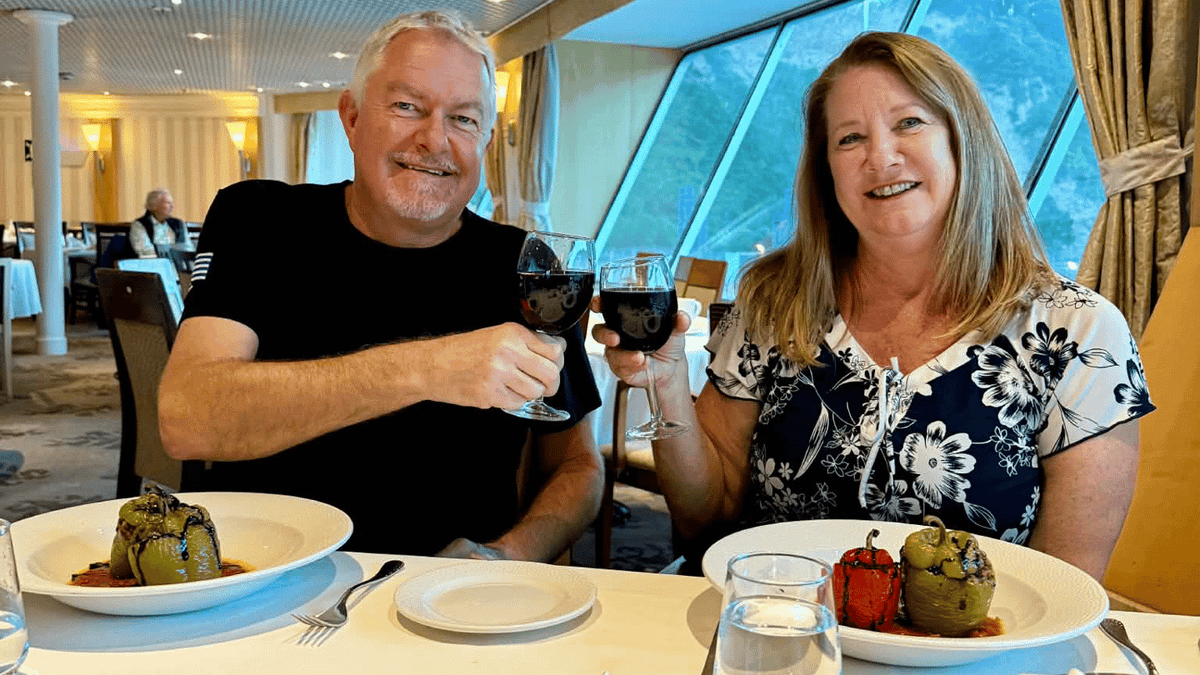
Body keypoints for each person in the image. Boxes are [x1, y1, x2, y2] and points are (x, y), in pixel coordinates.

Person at [591, 32, 1151, 582]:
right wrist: (668, 387)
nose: (881, 157)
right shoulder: (775, 301)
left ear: (965, 140)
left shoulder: (1077, 332)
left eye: (909, 123)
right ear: (826, 171)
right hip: (776, 623)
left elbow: (1063, 588)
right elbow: (704, 519)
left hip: (971, 639)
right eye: (850, 138)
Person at [157, 11, 603, 560]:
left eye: (463, 119)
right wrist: (427, 368)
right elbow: (187, 417)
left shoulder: (530, 267)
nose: (434, 140)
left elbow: (577, 465)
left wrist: (508, 556)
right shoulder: (260, 219)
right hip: (265, 575)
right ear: (351, 117)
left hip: (450, 591)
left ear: (486, 142)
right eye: (407, 107)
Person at [128, 188, 193, 258]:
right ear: (154, 206)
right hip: (154, 263)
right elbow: (146, 252)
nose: (172, 206)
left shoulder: (179, 224)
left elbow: (188, 248)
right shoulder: (139, 225)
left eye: (172, 203)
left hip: (179, 262)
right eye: (167, 203)